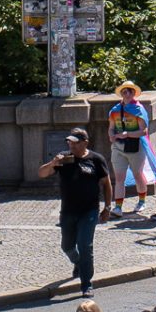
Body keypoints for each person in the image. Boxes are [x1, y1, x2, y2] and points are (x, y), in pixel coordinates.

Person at [37, 127, 112, 298]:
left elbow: (106, 184)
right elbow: (41, 173)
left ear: (85, 142)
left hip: (89, 210)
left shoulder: (96, 159)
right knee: (67, 246)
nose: (71, 146)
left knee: (85, 245)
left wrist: (107, 207)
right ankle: (79, 263)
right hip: (68, 211)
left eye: (75, 143)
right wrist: (53, 164)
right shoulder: (64, 159)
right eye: (69, 142)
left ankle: (86, 284)